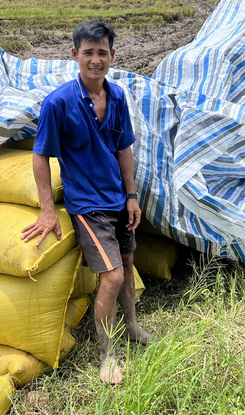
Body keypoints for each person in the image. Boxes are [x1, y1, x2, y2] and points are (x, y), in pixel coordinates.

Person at [21, 20, 152, 385]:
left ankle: (133, 329)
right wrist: (48, 209)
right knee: (111, 277)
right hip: (88, 206)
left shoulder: (118, 97)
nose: (96, 60)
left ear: (112, 56)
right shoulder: (58, 103)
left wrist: (131, 196)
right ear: (75, 54)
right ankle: (107, 357)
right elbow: (40, 156)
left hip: (117, 199)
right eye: (89, 52)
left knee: (126, 264)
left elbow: (124, 148)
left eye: (103, 53)